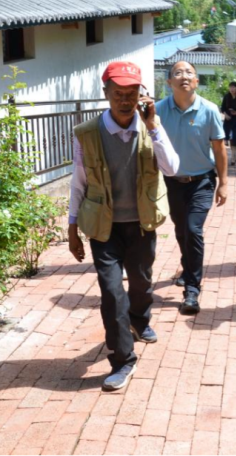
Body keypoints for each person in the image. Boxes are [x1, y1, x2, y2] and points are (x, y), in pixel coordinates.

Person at [68, 61, 180, 390]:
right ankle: (122, 359)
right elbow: (78, 182)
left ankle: (139, 319)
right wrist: (72, 227)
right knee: (112, 292)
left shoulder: (151, 126)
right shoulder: (86, 134)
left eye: (131, 93)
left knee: (141, 283)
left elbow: (172, 168)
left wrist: (154, 126)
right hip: (104, 227)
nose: (125, 100)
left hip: (142, 223)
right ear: (106, 93)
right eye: (118, 93)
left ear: (140, 95)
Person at [156, 61, 228, 315]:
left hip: (202, 181)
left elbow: (219, 148)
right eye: (178, 73)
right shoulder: (157, 111)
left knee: (192, 229)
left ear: (196, 81)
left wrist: (223, 183)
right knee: (180, 230)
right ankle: (187, 268)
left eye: (189, 73)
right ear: (169, 82)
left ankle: (192, 290)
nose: (184, 76)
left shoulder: (209, 109)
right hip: (171, 182)